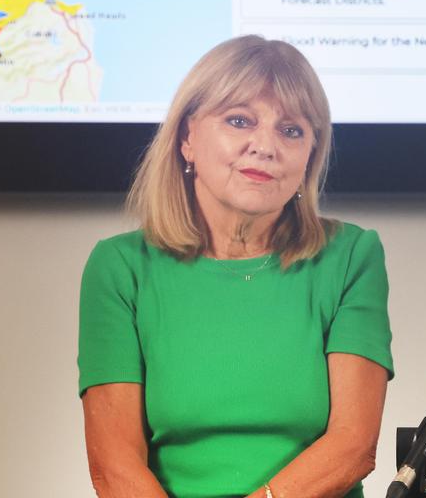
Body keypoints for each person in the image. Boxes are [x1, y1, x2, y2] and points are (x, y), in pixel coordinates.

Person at [78, 36, 392, 498]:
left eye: (291, 130)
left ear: (310, 155)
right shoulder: (120, 267)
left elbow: (353, 447)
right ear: (187, 138)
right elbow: (114, 466)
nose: (264, 146)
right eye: (239, 120)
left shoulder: (351, 256)